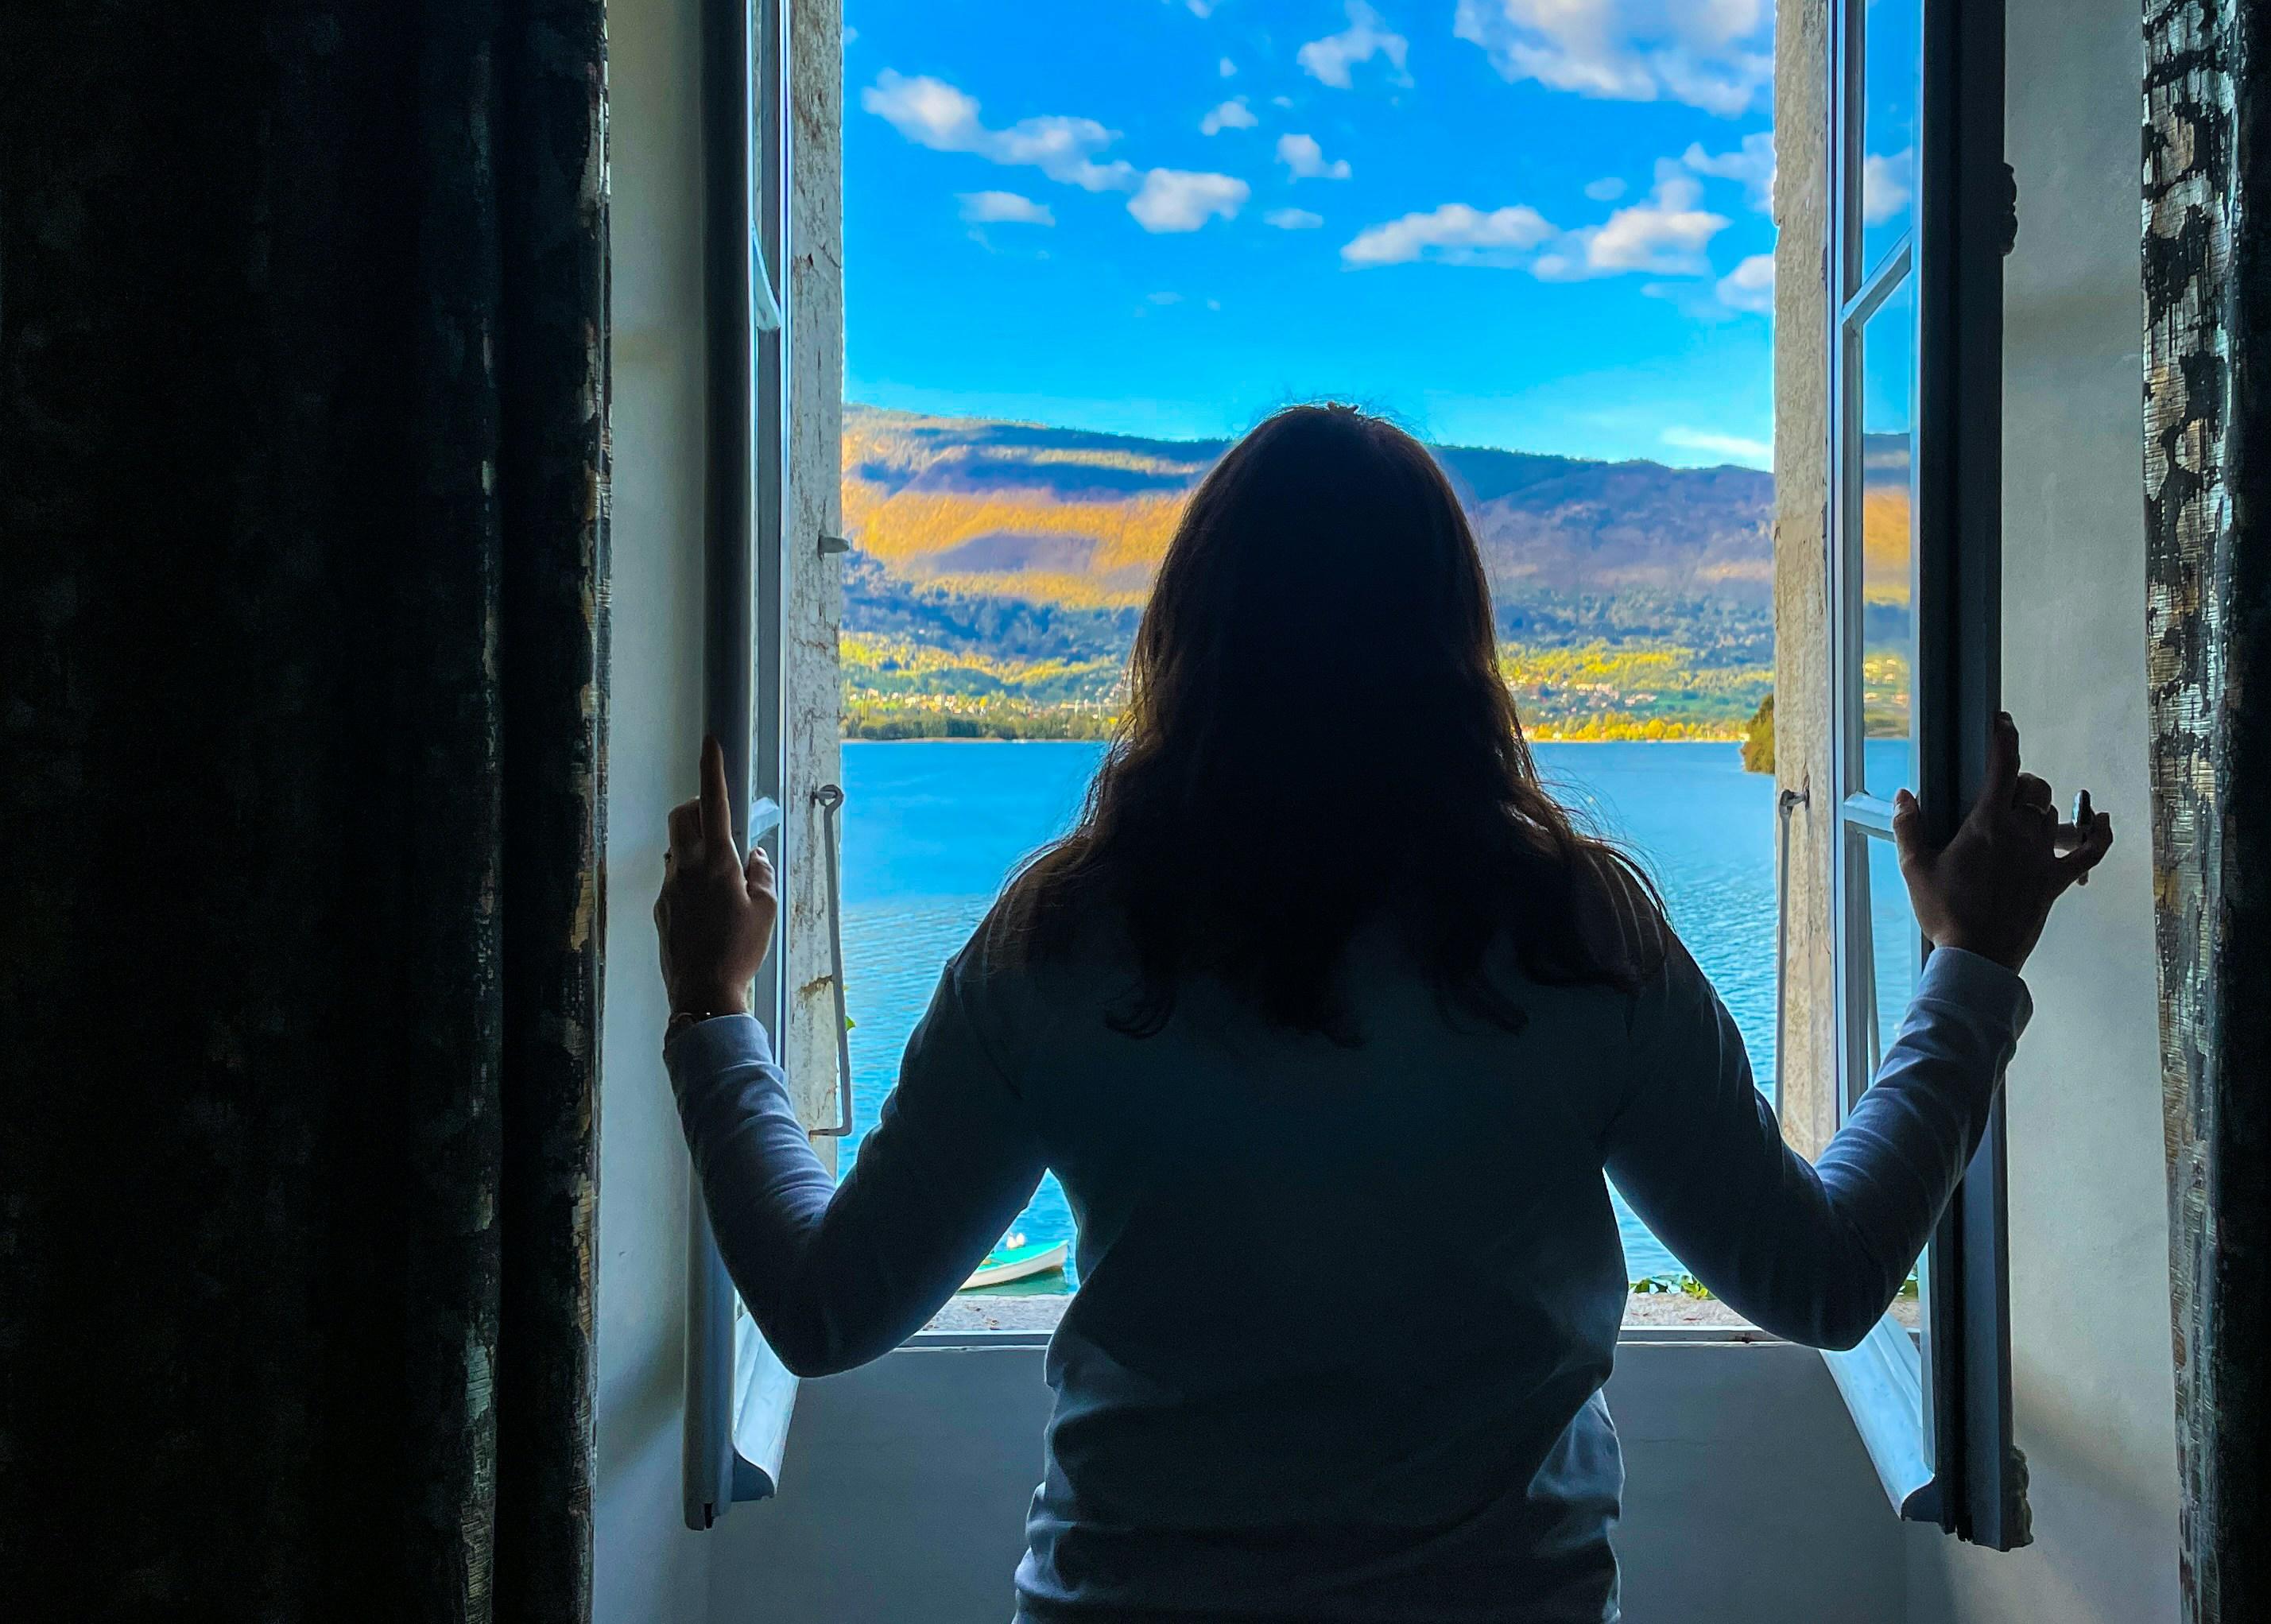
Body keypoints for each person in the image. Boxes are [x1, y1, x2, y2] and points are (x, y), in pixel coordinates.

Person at [653, 405, 2112, 1623]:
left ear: (1187, 637)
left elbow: (826, 1308)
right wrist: (1972, 963)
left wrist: (716, 1004)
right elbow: (1828, 1280)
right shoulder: (1577, 940)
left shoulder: (1063, 943)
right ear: (1456, 645)